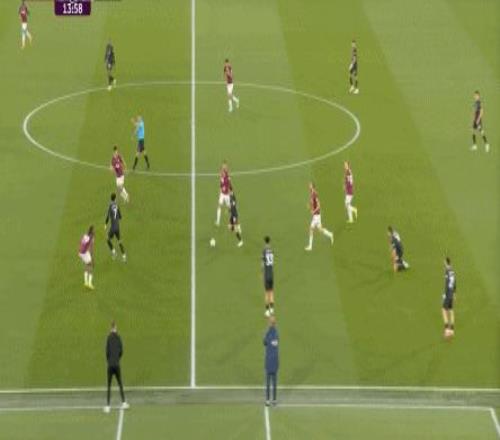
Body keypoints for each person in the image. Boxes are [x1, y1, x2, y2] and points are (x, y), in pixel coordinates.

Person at [104, 321, 129, 413]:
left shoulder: (108, 338)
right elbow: (121, 350)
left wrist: (109, 361)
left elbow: (107, 352)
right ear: (115, 328)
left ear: (110, 328)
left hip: (110, 365)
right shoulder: (118, 337)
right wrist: (117, 359)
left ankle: (108, 406)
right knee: (120, 383)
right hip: (117, 364)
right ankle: (124, 402)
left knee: (109, 385)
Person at [305, 183, 334, 251]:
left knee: (311, 229)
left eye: (310, 185)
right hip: (316, 215)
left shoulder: (315, 194)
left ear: (313, 186)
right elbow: (313, 203)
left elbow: (319, 205)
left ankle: (310, 246)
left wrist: (314, 211)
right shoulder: (312, 193)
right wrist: (310, 206)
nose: (309, 186)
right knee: (320, 229)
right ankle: (330, 234)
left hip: (316, 216)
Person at [105, 193, 126, 262]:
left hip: (113, 227)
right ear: (115, 198)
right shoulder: (117, 205)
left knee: (107, 239)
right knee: (119, 241)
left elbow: (108, 216)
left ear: (110, 198)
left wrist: (105, 224)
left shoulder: (110, 205)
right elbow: (120, 217)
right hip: (117, 227)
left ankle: (114, 253)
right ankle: (124, 256)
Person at [264, 316, 279, 407]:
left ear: (270, 323)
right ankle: (274, 400)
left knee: (268, 382)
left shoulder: (268, 333)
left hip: (269, 361)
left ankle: (267, 400)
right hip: (275, 361)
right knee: (274, 382)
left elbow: (264, 342)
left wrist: (267, 330)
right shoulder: (276, 333)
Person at [442, 257, 457, 339]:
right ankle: (452, 330)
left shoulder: (447, 271)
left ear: (446, 262)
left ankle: (447, 329)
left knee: (444, 310)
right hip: (451, 293)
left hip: (448, 294)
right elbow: (454, 282)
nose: (443, 263)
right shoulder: (452, 271)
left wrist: (445, 294)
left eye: (444, 262)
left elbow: (447, 283)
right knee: (451, 310)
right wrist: (454, 293)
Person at [215, 161, 231, 226]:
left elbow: (228, 185)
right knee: (219, 206)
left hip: (227, 194)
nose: (223, 167)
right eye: (223, 166)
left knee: (229, 208)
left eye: (225, 166)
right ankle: (218, 222)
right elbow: (221, 184)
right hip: (222, 194)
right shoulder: (222, 174)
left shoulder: (227, 176)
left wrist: (228, 191)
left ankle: (232, 221)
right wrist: (220, 191)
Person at [78, 225, 95, 290]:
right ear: (92, 232)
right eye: (93, 230)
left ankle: (85, 282)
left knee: (87, 264)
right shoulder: (91, 238)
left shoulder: (85, 235)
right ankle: (89, 284)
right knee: (90, 266)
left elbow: (80, 242)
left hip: (80, 252)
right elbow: (91, 250)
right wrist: (92, 259)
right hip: (84, 253)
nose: (94, 231)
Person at [262, 236, 275, 317]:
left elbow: (263, 263)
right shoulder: (272, 250)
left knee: (267, 293)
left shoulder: (264, 250)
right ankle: (272, 309)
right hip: (271, 273)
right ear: (269, 241)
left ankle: (267, 310)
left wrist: (262, 273)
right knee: (271, 292)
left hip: (266, 274)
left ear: (265, 241)